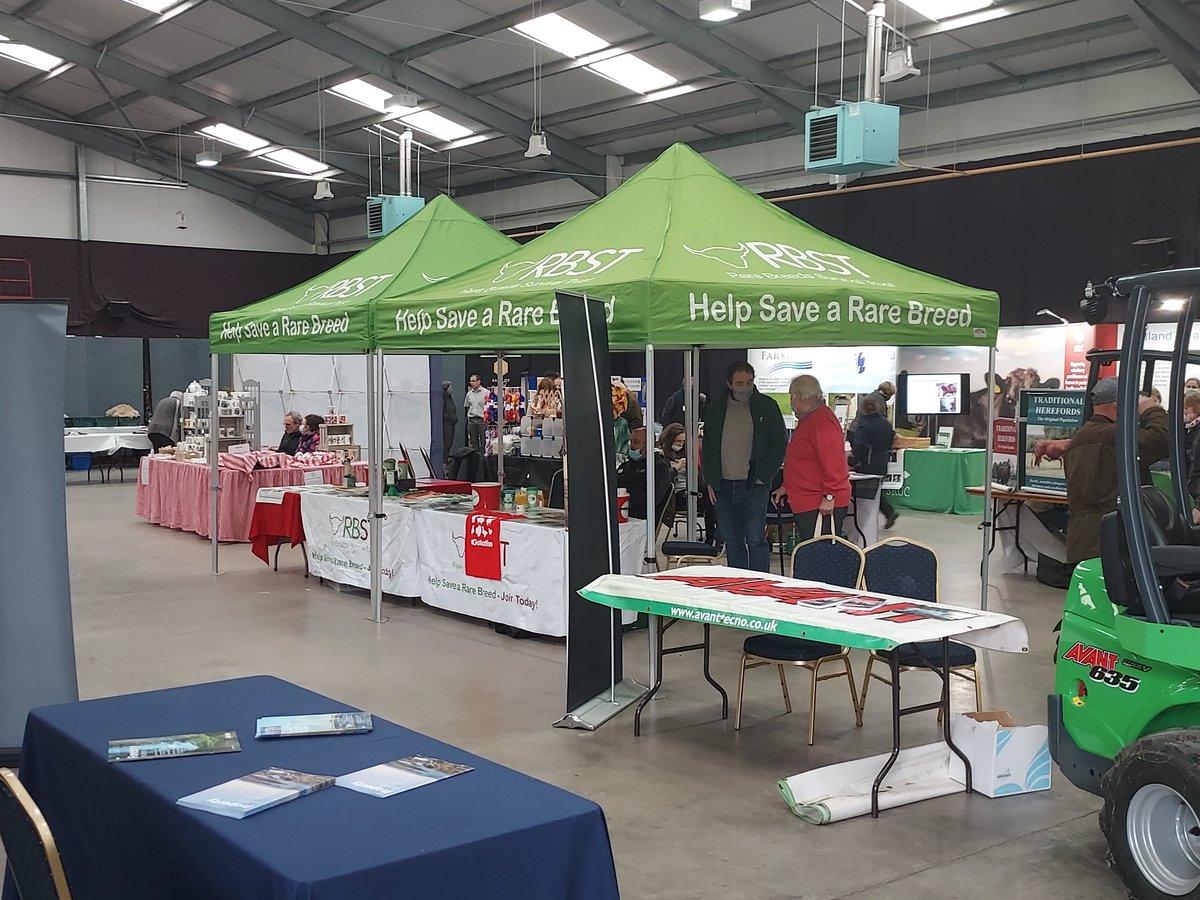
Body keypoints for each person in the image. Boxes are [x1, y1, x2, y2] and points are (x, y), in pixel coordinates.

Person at [1063, 376, 1169, 564]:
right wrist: (1151, 409)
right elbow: (1161, 440)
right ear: (1118, 406)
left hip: (1085, 540)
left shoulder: (1080, 438)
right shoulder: (1113, 437)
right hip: (1112, 540)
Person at [701, 361, 788, 571]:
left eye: (749, 382)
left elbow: (780, 443)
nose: (745, 387)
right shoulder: (716, 408)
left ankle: (761, 585)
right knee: (732, 540)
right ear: (729, 384)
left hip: (754, 484)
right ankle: (736, 586)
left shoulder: (767, 406)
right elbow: (708, 446)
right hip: (723, 485)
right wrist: (711, 481)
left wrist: (764, 476)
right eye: (740, 383)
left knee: (756, 539)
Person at [773, 375, 850, 539]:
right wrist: (788, 485)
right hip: (809, 500)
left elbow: (833, 463)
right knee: (815, 552)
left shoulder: (821, 421)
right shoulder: (811, 420)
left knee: (820, 555)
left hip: (818, 502)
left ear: (796, 397)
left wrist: (829, 496)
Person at [658, 423, 717, 544]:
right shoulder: (661, 455)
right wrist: (676, 469)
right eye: (677, 441)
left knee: (713, 499)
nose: (680, 444)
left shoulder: (688, 453)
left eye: (683, 441)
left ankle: (714, 537)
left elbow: (700, 477)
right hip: (675, 494)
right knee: (709, 500)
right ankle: (714, 538)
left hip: (692, 489)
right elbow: (661, 480)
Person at [850, 395, 898, 528]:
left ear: (861, 409)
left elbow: (861, 447)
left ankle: (865, 525)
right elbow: (891, 441)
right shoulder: (885, 423)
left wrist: (852, 461)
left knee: (865, 497)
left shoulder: (863, 426)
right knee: (877, 492)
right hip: (883, 462)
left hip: (867, 465)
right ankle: (889, 512)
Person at [616, 426, 672, 522]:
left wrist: (626, 498)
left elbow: (653, 499)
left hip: (641, 518)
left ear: (648, 444)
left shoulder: (658, 467)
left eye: (636, 442)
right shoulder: (626, 466)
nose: (631, 446)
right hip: (619, 513)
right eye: (631, 441)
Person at [464, 373, 488, 451]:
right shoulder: (469, 394)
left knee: (483, 442)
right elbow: (467, 406)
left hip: (482, 420)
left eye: (473, 381)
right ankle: (475, 459)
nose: (471, 383)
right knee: (473, 442)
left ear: (479, 382)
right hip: (471, 420)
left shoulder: (486, 393)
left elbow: (489, 407)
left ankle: (483, 459)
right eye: (470, 381)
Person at [441, 380, 458, 465]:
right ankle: (444, 462)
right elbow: (442, 411)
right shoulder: (443, 398)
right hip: (446, 425)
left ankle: (446, 460)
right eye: (451, 387)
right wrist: (449, 418)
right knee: (446, 444)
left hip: (451, 424)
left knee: (449, 443)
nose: (452, 389)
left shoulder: (449, 397)